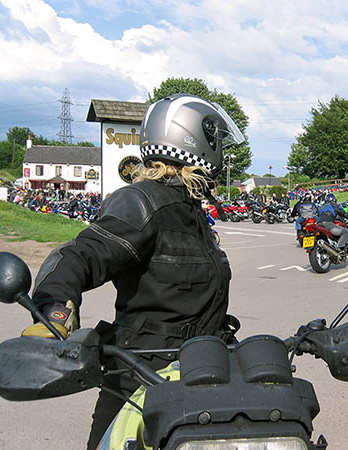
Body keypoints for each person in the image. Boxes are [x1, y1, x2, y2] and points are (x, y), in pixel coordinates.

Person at [20, 93, 245, 449]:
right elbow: (80, 255)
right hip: (139, 382)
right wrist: (56, 311)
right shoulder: (142, 202)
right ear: (197, 141)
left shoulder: (192, 212)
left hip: (201, 375)